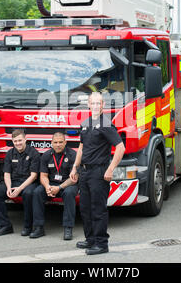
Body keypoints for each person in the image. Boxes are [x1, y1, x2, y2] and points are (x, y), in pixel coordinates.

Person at [69, 92, 125, 255]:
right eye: (92, 103)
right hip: (85, 172)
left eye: (98, 103)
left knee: (98, 209)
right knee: (85, 208)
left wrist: (110, 169)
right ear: (88, 105)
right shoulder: (85, 124)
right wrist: (75, 167)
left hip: (99, 172)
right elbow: (81, 147)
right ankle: (91, 239)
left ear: (103, 105)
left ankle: (101, 244)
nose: (95, 106)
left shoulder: (106, 124)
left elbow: (121, 147)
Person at [0, 129, 40, 236]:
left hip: (29, 183)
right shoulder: (10, 153)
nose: (18, 143)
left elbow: (34, 175)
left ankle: (28, 226)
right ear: (12, 142)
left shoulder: (33, 153)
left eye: (20, 140)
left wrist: (19, 189)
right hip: (13, 182)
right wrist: (8, 188)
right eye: (15, 141)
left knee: (28, 194)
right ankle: (5, 225)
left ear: (25, 139)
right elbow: (7, 173)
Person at [31, 132, 78, 240]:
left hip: (68, 184)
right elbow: (43, 175)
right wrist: (47, 186)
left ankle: (68, 228)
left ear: (65, 142)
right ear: (51, 143)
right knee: (37, 192)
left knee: (69, 193)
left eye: (61, 142)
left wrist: (59, 188)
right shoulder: (46, 155)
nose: (58, 145)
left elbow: (74, 178)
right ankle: (39, 228)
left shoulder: (73, 155)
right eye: (55, 142)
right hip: (51, 184)